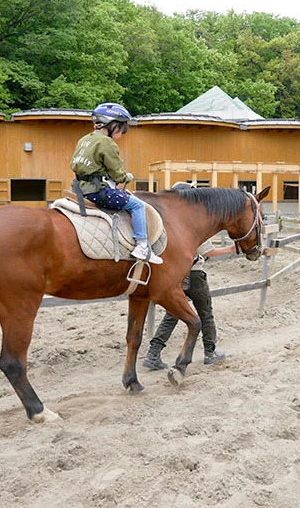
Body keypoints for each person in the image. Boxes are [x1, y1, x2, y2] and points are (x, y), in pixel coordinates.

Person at [143, 182, 234, 369]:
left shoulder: (168, 222)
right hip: (194, 274)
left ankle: (153, 354)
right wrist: (231, 249)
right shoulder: (190, 225)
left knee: (172, 315)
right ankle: (210, 352)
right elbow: (207, 251)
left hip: (177, 276)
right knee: (205, 313)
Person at [70, 102, 162, 264]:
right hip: (98, 191)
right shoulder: (107, 142)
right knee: (137, 206)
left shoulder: (84, 140)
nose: (122, 132)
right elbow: (117, 173)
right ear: (112, 125)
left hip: (79, 189)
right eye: (122, 128)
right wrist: (127, 177)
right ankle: (142, 246)